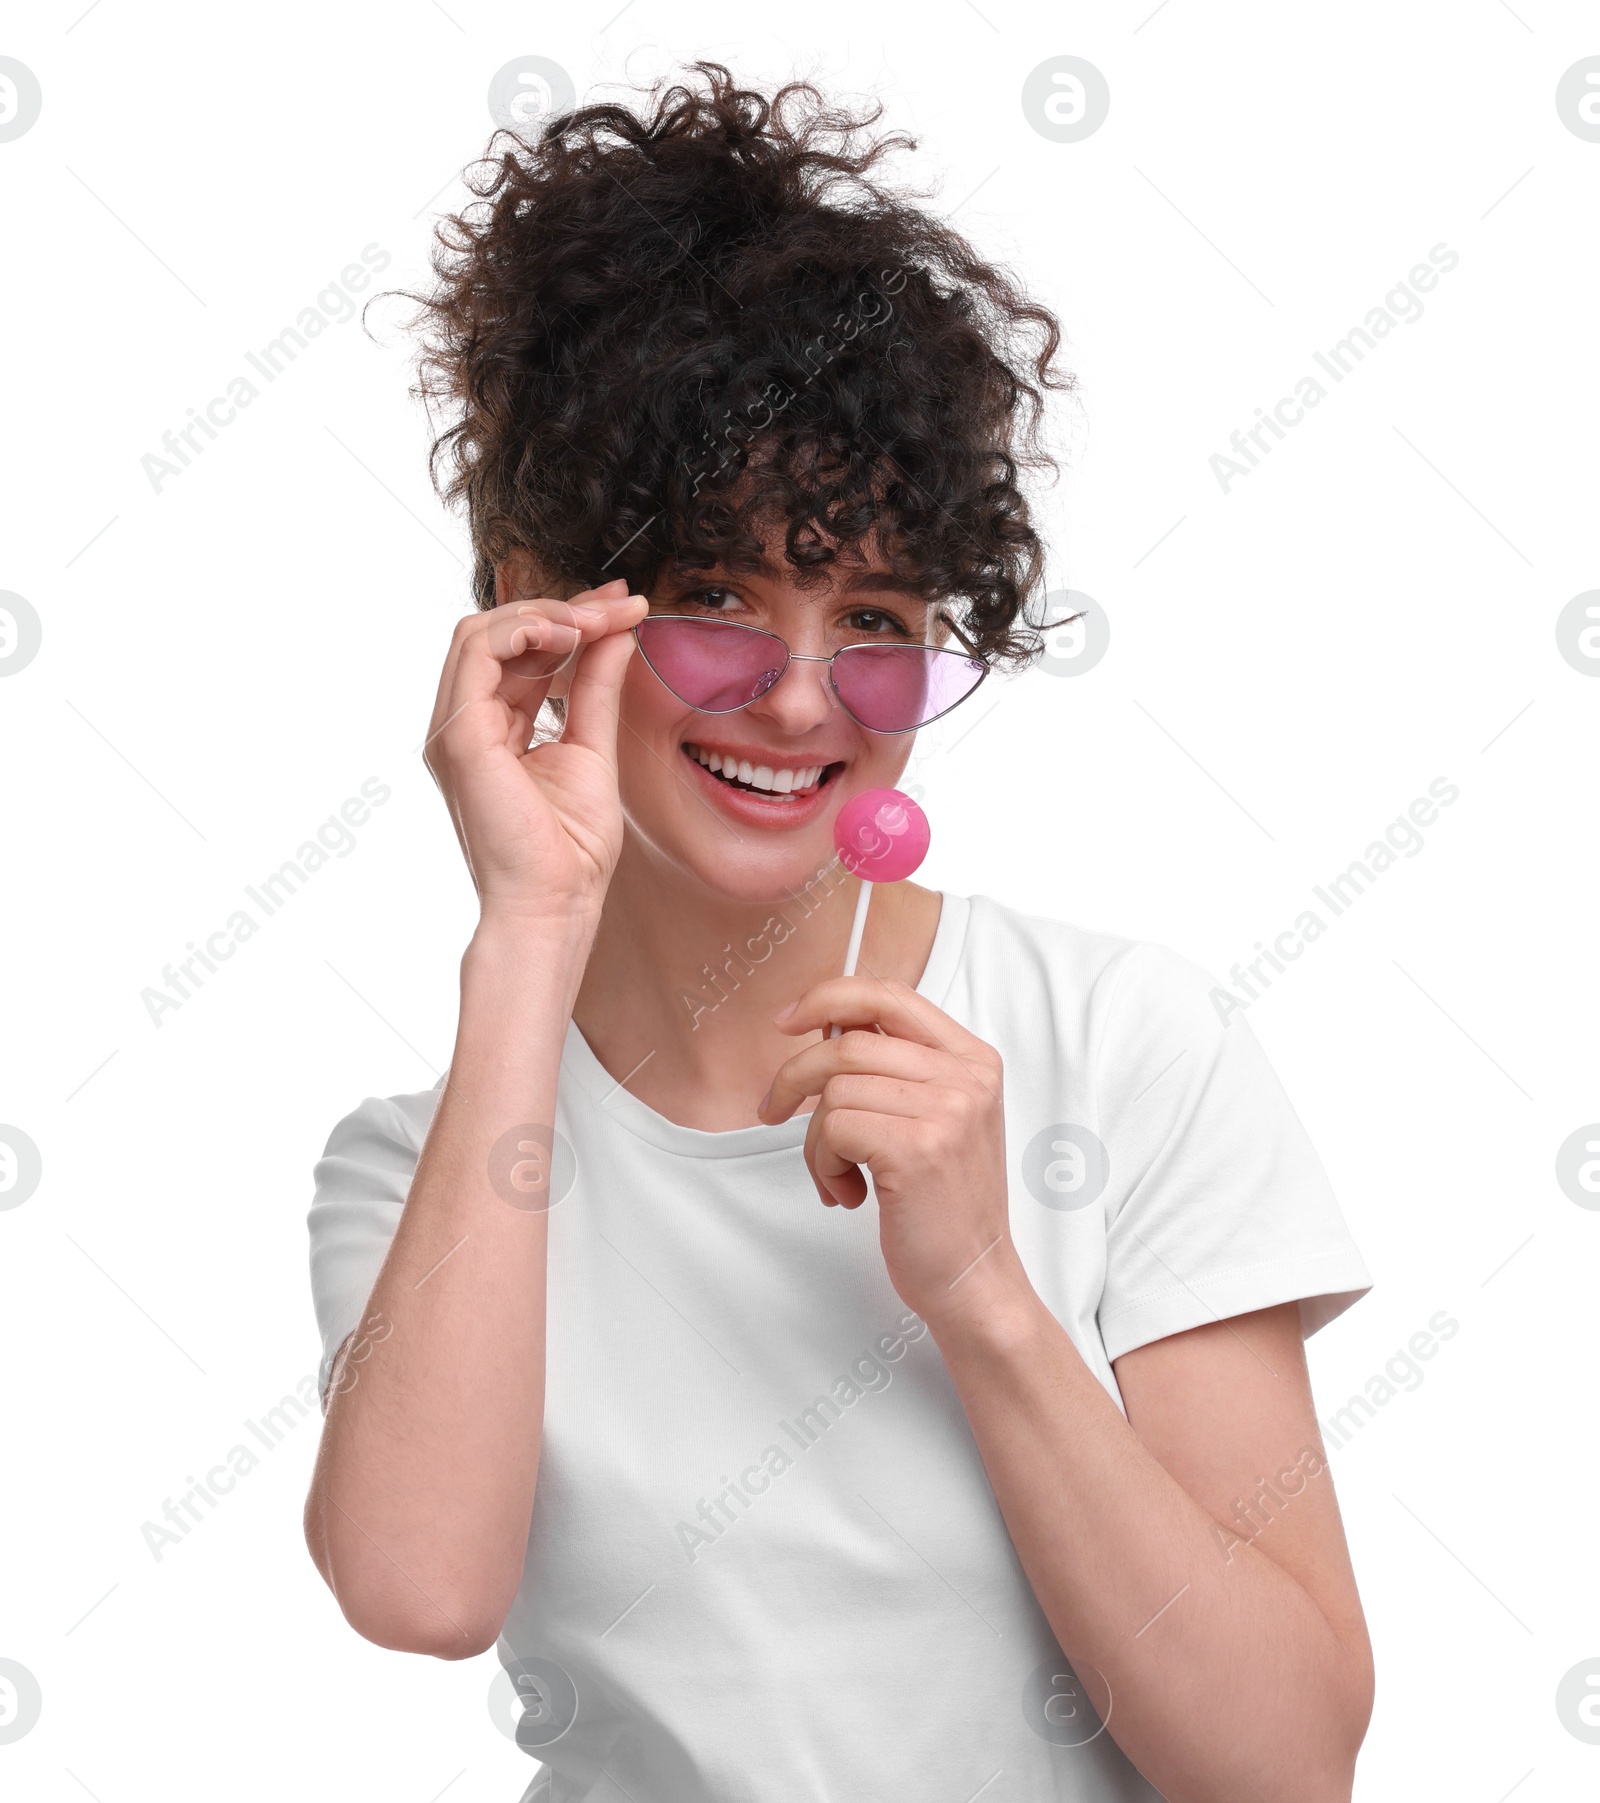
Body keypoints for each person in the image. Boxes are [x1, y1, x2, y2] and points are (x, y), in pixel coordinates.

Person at [304, 62, 1375, 1803]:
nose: (803, 698)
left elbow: (1285, 1766)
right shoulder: (420, 1165)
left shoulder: (1129, 1042)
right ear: (540, 602)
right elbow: (420, 1593)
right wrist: (527, 932)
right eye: (717, 597)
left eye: (872, 616)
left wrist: (980, 1298)